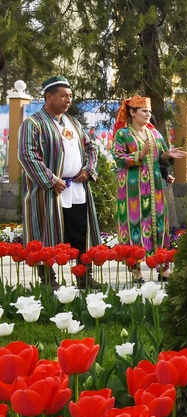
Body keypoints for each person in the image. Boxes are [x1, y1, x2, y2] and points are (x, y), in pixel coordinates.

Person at [18, 75, 102, 288]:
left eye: (70, 96)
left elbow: (91, 147)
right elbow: (27, 155)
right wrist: (50, 180)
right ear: (48, 96)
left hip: (76, 189)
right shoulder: (33, 123)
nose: (68, 100)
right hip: (49, 191)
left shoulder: (73, 122)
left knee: (80, 232)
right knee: (45, 234)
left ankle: (84, 278)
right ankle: (48, 280)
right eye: (64, 95)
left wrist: (88, 169)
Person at [111, 96, 186, 280]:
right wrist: (139, 154)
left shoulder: (155, 134)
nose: (148, 115)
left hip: (155, 191)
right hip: (132, 190)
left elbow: (160, 158)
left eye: (149, 112)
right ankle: (135, 271)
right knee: (134, 225)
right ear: (132, 112)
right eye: (144, 111)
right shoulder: (123, 135)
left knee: (160, 226)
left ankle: (163, 268)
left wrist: (167, 159)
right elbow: (119, 158)